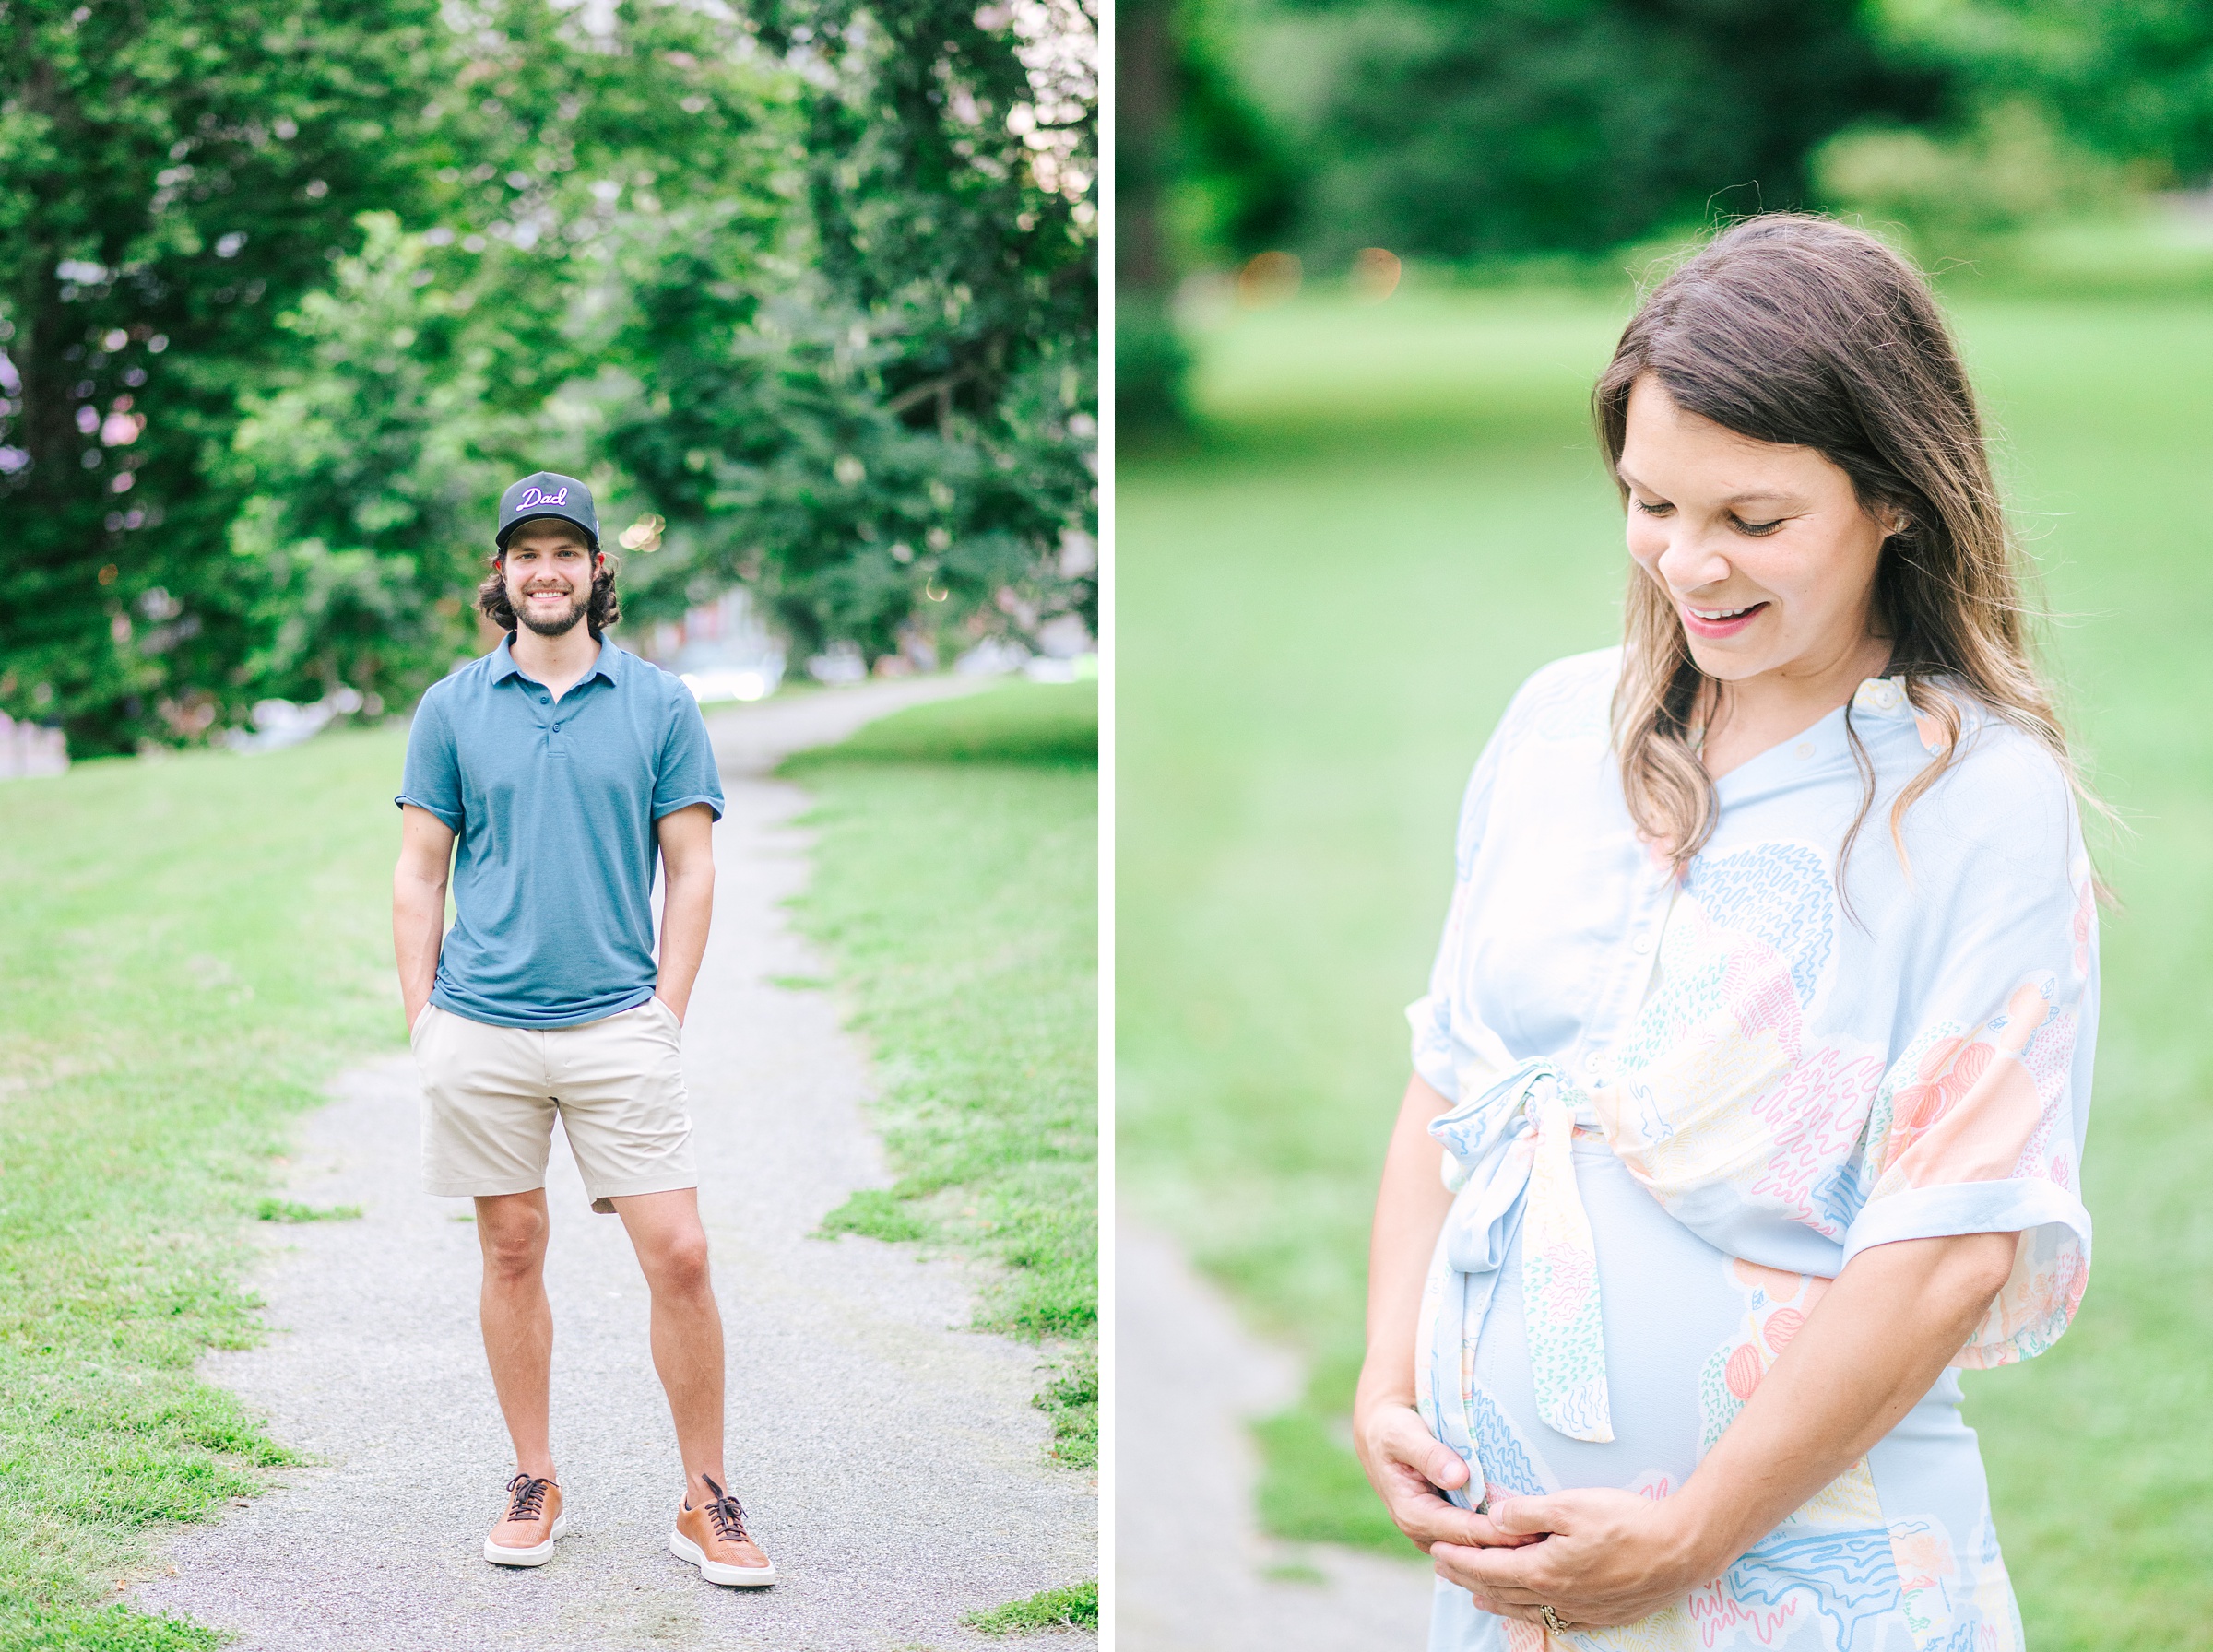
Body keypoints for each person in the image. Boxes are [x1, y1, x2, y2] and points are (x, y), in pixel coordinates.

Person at [1354, 218, 2100, 1649]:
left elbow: (1950, 1246)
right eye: (1651, 505)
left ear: (1897, 498)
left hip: (1814, 1584)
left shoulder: (1978, 796)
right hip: (1514, 1592)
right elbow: (1452, 1086)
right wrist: (1390, 1386)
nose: (1689, 566)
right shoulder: (1555, 726)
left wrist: (1690, 1538)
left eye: (1753, 521)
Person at [391, 470, 776, 1587]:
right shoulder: (451, 707)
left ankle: (706, 1498)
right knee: (511, 1248)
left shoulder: (660, 704)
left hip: (619, 1025)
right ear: (502, 575)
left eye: (567, 551)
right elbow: (420, 876)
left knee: (683, 1255)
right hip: (483, 1026)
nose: (546, 570)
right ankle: (534, 1474)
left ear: (598, 570)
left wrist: (666, 1011)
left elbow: (691, 868)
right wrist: (424, 1023)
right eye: (527, 553)